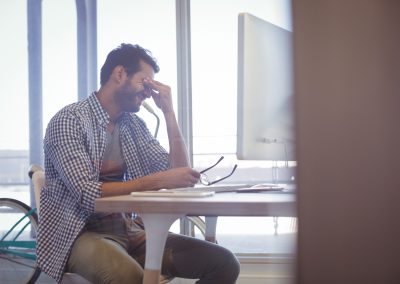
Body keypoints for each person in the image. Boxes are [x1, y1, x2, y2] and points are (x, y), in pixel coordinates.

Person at [36, 43, 240, 284]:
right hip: (79, 234)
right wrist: (160, 180)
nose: (148, 91)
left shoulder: (133, 125)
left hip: (129, 230)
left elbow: (179, 177)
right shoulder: (69, 121)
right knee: (131, 277)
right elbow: (87, 194)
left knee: (224, 263)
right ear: (120, 73)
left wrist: (169, 113)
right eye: (145, 82)